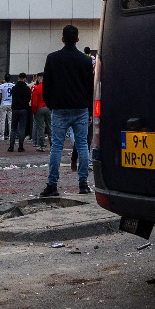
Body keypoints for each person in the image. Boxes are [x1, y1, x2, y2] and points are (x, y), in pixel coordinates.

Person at [40, 25, 95, 195]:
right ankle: (83, 184)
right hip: (80, 108)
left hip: (59, 107)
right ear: (77, 39)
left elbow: (46, 86)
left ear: (62, 38)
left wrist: (51, 104)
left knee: (57, 146)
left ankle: (52, 185)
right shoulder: (86, 61)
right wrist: (90, 110)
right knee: (83, 145)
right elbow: (90, 88)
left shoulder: (52, 58)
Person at [8, 74, 31, 152]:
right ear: (25, 79)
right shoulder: (27, 88)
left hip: (15, 109)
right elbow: (29, 99)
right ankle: (20, 146)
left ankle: (11, 146)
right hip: (24, 109)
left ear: (18, 78)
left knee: (13, 128)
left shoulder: (14, 88)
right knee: (22, 128)